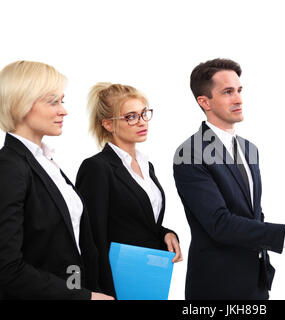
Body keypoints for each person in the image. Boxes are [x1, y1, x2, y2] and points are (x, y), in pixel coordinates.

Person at [173, 58, 285, 300]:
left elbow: (252, 214)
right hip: (216, 287)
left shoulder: (249, 149)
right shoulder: (189, 153)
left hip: (255, 282)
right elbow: (219, 224)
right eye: (228, 92)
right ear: (204, 101)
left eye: (239, 90)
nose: (238, 99)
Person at [0, 61, 112, 300]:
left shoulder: (45, 161)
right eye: (53, 101)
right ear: (21, 103)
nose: (64, 110)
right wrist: (84, 298)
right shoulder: (9, 168)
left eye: (62, 100)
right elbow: (7, 269)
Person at [75, 82, 182, 298]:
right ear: (108, 124)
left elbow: (137, 220)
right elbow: (92, 236)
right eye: (130, 117)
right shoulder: (97, 167)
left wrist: (166, 233)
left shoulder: (146, 165)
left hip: (148, 275)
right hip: (115, 282)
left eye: (144, 114)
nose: (142, 122)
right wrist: (99, 291)